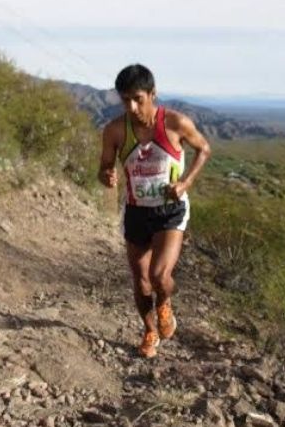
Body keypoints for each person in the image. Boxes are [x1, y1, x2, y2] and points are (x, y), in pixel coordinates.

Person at [98, 64, 211, 358]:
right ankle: (149, 330)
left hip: (170, 211)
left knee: (160, 276)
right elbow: (104, 167)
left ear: (152, 94)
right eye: (125, 100)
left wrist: (185, 183)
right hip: (136, 212)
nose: (132, 107)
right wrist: (107, 175)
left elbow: (204, 149)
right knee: (141, 280)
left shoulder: (175, 123)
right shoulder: (114, 131)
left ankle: (165, 304)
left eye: (138, 98)